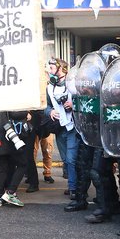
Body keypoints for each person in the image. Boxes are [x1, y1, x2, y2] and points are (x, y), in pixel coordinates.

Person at [45, 59, 77, 196]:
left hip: (72, 126)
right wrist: (50, 111)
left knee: (71, 159)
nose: (50, 71)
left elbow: (85, 99)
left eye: (52, 68)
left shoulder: (73, 84)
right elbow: (45, 105)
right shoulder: (49, 87)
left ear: (62, 69)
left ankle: (75, 188)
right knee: (66, 160)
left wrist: (74, 104)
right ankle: (72, 186)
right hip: (59, 128)